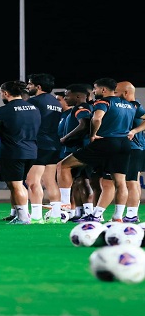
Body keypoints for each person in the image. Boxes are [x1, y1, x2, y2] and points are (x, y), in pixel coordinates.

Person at [56, 78, 144, 223]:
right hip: (125, 144)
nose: (94, 91)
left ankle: (64, 205)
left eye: (95, 88)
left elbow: (97, 119)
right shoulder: (131, 105)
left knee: (63, 165)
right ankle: (117, 217)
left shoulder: (103, 102)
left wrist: (93, 134)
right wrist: (134, 131)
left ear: (103, 90)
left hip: (106, 142)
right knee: (120, 182)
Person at [0, 80, 41, 224]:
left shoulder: (3, 110)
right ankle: (18, 214)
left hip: (13, 151)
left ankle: (24, 217)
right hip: (31, 150)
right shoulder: (34, 108)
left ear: (6, 93)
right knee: (17, 184)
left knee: (17, 185)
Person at [25, 73, 64, 223]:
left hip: (39, 144)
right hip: (53, 144)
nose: (28, 86)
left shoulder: (34, 101)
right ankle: (56, 216)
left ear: (38, 86)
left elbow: (28, 123)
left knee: (32, 181)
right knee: (50, 181)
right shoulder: (57, 102)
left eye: (30, 84)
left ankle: (36, 217)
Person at [57, 84, 94, 222]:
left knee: (63, 167)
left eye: (67, 95)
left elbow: (84, 124)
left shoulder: (81, 107)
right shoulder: (76, 109)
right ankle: (82, 212)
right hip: (79, 147)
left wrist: (66, 138)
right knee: (80, 181)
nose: (65, 98)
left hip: (81, 148)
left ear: (78, 96)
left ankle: (65, 205)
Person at [114, 81, 145, 223]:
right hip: (136, 148)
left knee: (131, 182)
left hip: (133, 148)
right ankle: (132, 214)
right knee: (134, 181)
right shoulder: (133, 105)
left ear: (126, 93)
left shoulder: (134, 105)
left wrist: (134, 131)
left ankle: (131, 215)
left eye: (116, 92)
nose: (114, 95)